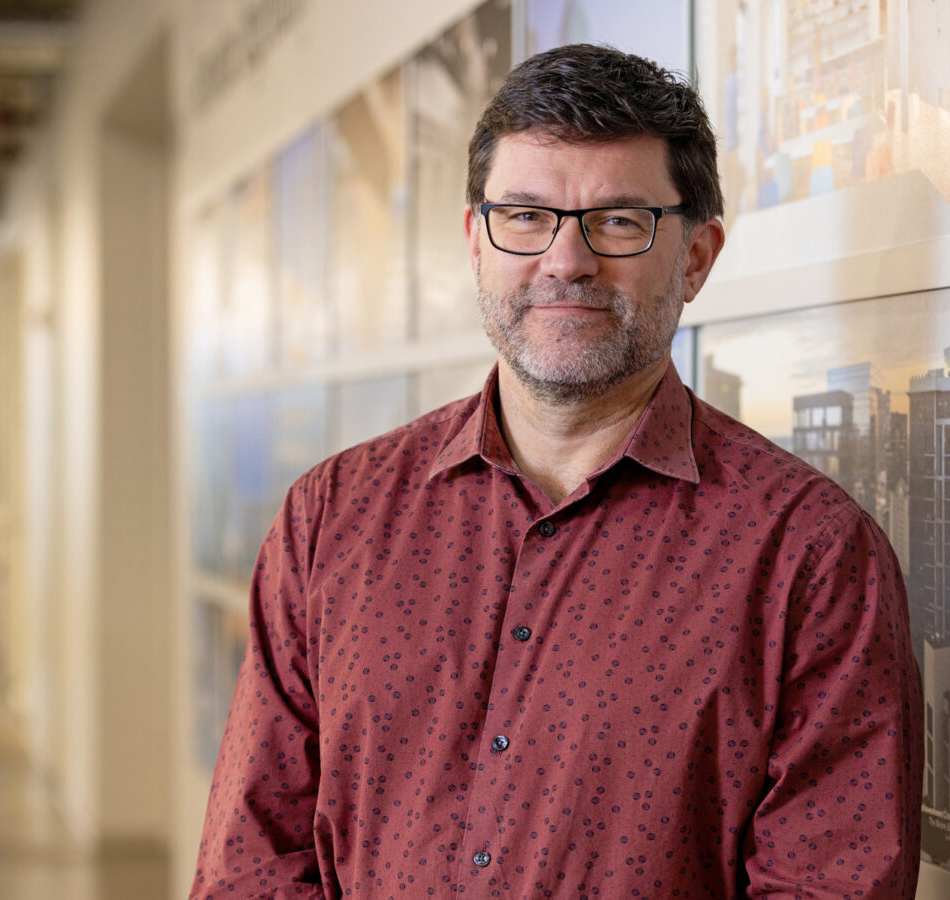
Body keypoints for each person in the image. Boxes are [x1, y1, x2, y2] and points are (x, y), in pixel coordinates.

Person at [190, 44, 923, 898]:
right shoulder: (331, 518)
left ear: (695, 257)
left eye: (618, 220)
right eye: (526, 216)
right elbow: (252, 860)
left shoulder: (812, 559)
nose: (565, 261)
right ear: (475, 241)